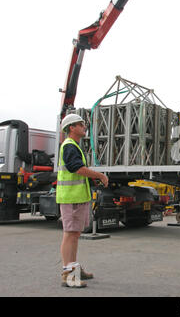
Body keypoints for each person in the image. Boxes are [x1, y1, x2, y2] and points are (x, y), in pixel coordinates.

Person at [56, 113, 109, 288]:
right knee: (70, 234)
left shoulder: (73, 146)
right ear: (72, 127)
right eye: (81, 124)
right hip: (72, 198)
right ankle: (68, 275)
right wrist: (100, 175)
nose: (85, 127)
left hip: (76, 198)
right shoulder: (70, 146)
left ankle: (74, 268)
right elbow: (77, 168)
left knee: (74, 234)